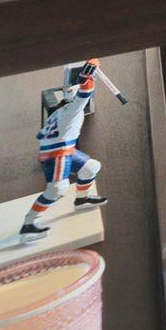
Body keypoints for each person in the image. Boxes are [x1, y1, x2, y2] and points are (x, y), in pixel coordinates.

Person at [20, 59, 125, 239]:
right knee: (57, 189)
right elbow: (85, 92)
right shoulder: (72, 110)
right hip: (58, 154)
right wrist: (88, 72)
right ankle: (29, 223)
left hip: (64, 151)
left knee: (91, 167)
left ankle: (82, 199)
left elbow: (41, 135)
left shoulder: (59, 112)